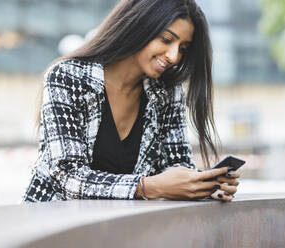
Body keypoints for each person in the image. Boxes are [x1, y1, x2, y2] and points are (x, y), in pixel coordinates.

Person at [22, 0, 240, 203]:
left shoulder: (167, 92)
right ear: (139, 27)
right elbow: (68, 178)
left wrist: (202, 187)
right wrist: (146, 187)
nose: (174, 56)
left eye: (182, 48)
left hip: (122, 233)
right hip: (53, 229)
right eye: (166, 39)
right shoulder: (66, 77)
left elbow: (177, 168)